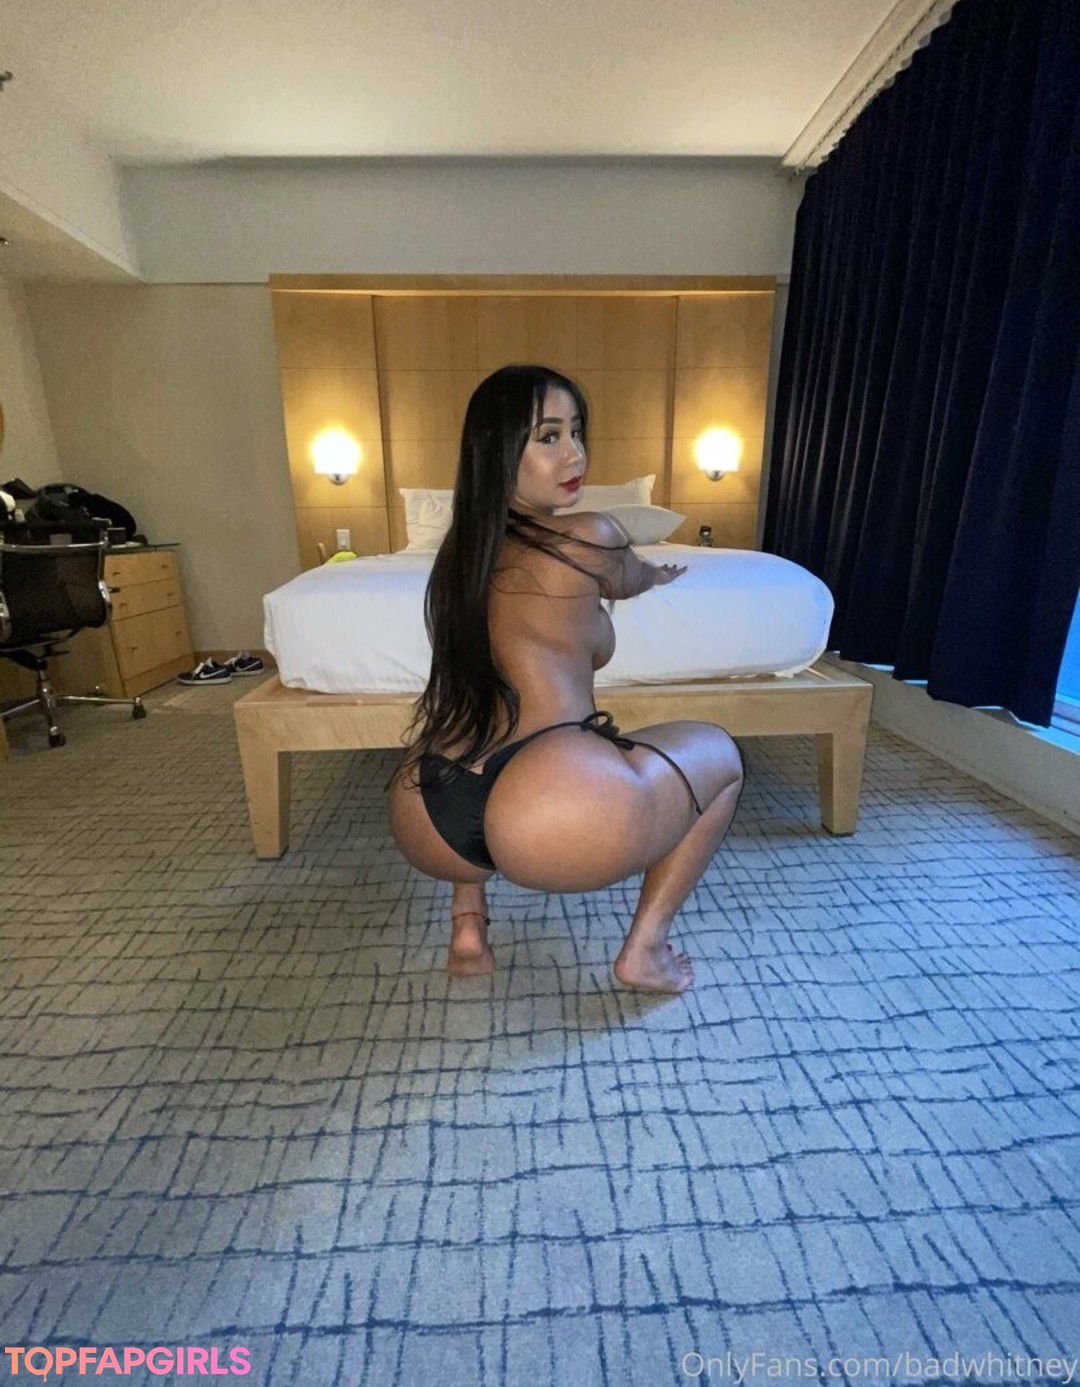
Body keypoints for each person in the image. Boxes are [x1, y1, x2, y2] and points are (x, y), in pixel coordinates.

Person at [389, 365, 744, 993]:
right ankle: (646, 951)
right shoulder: (591, 534)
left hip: (430, 801)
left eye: (576, 432)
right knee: (722, 758)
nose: (575, 454)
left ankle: (467, 923)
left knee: (471, 710)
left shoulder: (458, 557)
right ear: (499, 451)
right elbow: (631, 578)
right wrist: (655, 575)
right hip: (548, 802)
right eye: (548, 436)